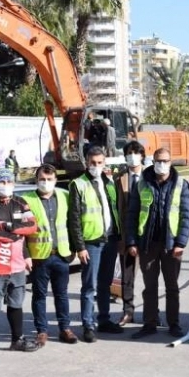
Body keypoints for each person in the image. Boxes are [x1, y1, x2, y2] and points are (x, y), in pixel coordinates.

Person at [126, 147, 189, 339]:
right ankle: (150, 323)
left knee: (172, 286)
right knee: (150, 287)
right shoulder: (141, 184)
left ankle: (173, 324)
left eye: (165, 161)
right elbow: (132, 215)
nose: (161, 164)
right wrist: (132, 242)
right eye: (158, 160)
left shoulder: (181, 184)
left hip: (171, 245)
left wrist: (181, 243)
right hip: (148, 244)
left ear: (171, 162)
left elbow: (186, 216)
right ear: (152, 161)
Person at [0, 168, 39, 364]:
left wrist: (7, 227)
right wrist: (18, 232)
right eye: (2, 182)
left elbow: (32, 226)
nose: (6, 185)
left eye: (9, 181)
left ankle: (17, 340)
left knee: (16, 303)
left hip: (17, 264)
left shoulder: (20, 202)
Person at [68, 146, 124, 342]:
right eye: (93, 163)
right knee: (89, 286)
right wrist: (80, 246)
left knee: (105, 284)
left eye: (100, 163)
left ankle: (104, 320)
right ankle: (88, 325)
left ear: (105, 163)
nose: (96, 166)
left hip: (109, 240)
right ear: (86, 162)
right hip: (91, 242)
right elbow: (73, 218)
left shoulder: (109, 182)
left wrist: (118, 237)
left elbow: (114, 210)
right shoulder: (78, 184)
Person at [24, 164, 79, 346]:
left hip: (62, 254)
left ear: (55, 180)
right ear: (36, 180)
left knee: (61, 294)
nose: (45, 182)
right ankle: (42, 331)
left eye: (49, 179)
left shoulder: (64, 196)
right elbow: (20, 232)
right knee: (39, 295)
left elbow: (72, 223)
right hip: (40, 256)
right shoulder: (26, 200)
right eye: (42, 179)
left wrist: (74, 249)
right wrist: (26, 255)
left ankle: (65, 328)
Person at [113, 140, 145, 326]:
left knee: (151, 278)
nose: (132, 157)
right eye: (129, 153)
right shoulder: (120, 179)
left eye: (135, 153)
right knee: (127, 277)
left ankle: (152, 313)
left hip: (148, 235)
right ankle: (128, 311)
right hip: (127, 235)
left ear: (142, 155)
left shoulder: (149, 177)